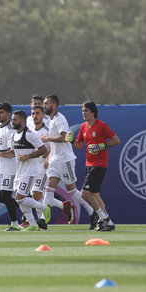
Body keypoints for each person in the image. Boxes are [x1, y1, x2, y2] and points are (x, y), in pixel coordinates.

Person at [40, 95, 91, 227]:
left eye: (47, 104)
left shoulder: (60, 119)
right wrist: (48, 156)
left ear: (54, 105)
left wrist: (47, 139)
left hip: (65, 160)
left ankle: (93, 212)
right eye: (44, 104)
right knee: (49, 188)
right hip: (55, 160)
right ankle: (42, 219)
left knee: (72, 191)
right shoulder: (50, 120)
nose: (44, 106)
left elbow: (64, 138)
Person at [0, 110, 50, 231]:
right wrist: (1, 154)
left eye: (15, 120)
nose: (12, 122)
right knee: (20, 202)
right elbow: (13, 153)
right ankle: (33, 225)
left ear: (22, 120)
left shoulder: (29, 134)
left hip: (30, 172)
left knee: (19, 198)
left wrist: (28, 156)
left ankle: (44, 208)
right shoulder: (14, 135)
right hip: (19, 172)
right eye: (12, 119)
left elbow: (43, 149)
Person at [70, 100, 120, 231]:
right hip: (89, 164)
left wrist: (102, 146)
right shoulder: (83, 127)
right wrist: (71, 140)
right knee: (95, 195)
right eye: (82, 111)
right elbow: (79, 145)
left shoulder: (101, 125)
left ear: (93, 112)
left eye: (86, 111)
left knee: (84, 194)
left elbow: (116, 140)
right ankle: (108, 223)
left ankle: (104, 219)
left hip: (99, 164)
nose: (84, 113)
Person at [0, 103, 21, 231]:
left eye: (2, 112)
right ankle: (26, 207)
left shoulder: (11, 131)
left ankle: (15, 224)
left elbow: (13, 152)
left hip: (11, 168)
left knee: (6, 196)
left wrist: (0, 154)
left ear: (9, 114)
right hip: (1, 168)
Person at [24, 105, 51, 229]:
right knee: (35, 195)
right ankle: (43, 220)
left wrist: (48, 157)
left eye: (37, 113)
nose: (35, 116)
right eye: (33, 113)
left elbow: (54, 148)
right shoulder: (30, 132)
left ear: (43, 116)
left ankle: (42, 220)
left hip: (44, 167)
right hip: (32, 167)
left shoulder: (47, 131)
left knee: (36, 194)